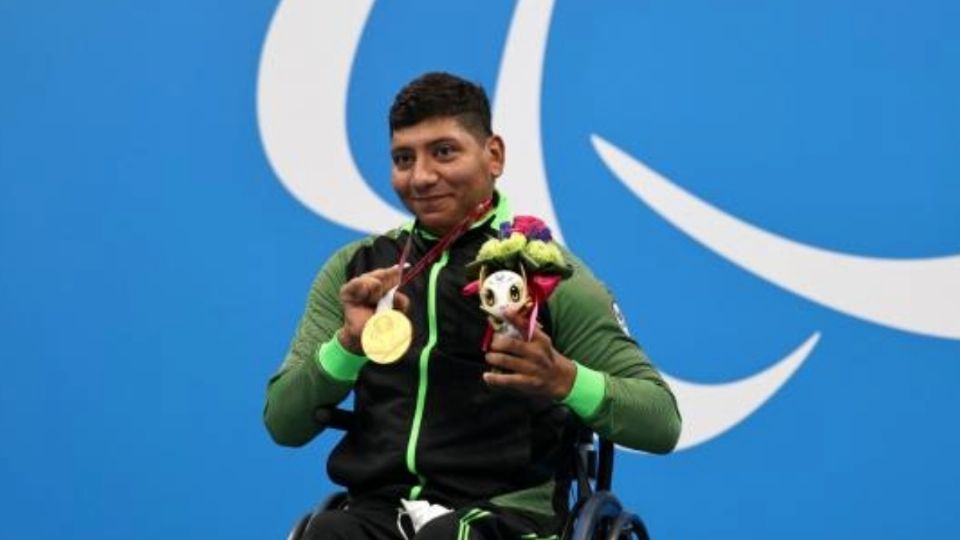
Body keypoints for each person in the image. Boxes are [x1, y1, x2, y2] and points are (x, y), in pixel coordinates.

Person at [264, 72, 681, 540]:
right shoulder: (356, 270)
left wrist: (562, 378)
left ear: (494, 155)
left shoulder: (549, 274)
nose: (421, 176)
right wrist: (347, 345)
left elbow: (661, 420)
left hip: (506, 517)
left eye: (444, 152)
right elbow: (283, 422)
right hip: (379, 512)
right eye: (404, 158)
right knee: (327, 534)